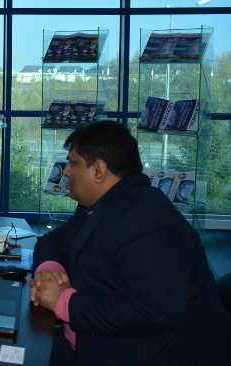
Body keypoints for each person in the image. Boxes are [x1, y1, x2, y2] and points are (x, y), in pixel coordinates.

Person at [29, 120, 231, 366]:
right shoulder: (98, 204)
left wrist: (62, 301)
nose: (67, 171)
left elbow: (157, 310)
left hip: (145, 355)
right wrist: (50, 272)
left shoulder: (148, 217)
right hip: (88, 343)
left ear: (99, 170)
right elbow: (52, 241)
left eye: (73, 163)